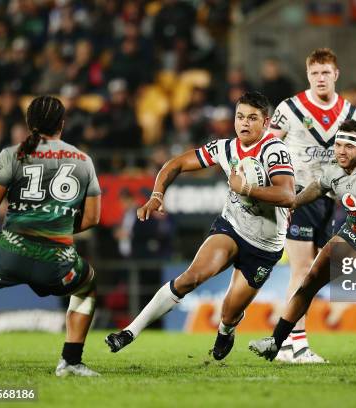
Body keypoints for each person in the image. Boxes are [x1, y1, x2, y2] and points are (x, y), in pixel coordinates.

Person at [105, 92, 295, 360]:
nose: (244, 123)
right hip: (232, 227)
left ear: (265, 123)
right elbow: (177, 163)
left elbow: (288, 195)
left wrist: (248, 188)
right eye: (240, 116)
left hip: (265, 245)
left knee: (230, 310)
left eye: (252, 118)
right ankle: (128, 332)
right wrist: (157, 195)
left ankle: (226, 330)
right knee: (192, 276)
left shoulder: (274, 150)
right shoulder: (224, 148)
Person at [248, 119, 356, 360]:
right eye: (338, 144)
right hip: (353, 232)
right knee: (310, 279)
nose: (341, 151)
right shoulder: (334, 168)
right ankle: (275, 342)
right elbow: (318, 187)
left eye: (348, 146)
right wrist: (293, 203)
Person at [0, 96, 102, 377]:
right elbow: (92, 218)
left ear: (29, 124)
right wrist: (56, 226)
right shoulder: (83, 161)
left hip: (8, 253)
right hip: (57, 261)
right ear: (62, 124)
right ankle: (70, 361)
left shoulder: (12, 154)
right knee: (87, 285)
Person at [268, 48, 356, 363]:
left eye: (325, 73)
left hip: (331, 199)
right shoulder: (290, 108)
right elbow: (267, 144)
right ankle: (292, 343)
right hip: (298, 195)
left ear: (336, 74)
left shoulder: (352, 113)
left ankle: (289, 342)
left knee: (318, 272)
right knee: (301, 268)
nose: (320, 78)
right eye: (314, 73)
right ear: (308, 75)